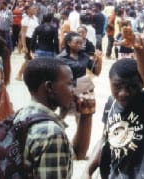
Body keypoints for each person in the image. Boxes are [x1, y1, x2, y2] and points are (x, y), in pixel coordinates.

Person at [82, 27, 144, 178]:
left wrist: (140, 50)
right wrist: (88, 169)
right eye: (117, 86)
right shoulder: (111, 103)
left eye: (131, 87)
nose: (123, 93)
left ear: (142, 85)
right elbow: (105, 137)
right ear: (110, 83)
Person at [14, 58, 86, 178]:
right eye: (69, 83)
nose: (73, 90)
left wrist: (85, 115)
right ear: (49, 87)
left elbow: (77, 153)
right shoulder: (52, 133)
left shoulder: (22, 114)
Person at [60, 31, 102, 160]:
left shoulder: (84, 56)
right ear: (68, 43)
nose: (80, 45)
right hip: (67, 91)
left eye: (81, 42)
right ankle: (60, 145)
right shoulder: (61, 58)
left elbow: (96, 72)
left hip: (83, 90)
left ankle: (78, 149)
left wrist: (99, 60)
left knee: (82, 120)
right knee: (61, 118)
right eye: (77, 42)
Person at [15, 4, 39, 81]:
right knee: (28, 60)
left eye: (35, 9)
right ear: (28, 10)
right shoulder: (25, 20)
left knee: (32, 59)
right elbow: (23, 34)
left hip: (34, 40)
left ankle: (28, 75)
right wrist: (24, 45)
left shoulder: (35, 18)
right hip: (28, 40)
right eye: (33, 8)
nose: (35, 10)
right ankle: (19, 74)